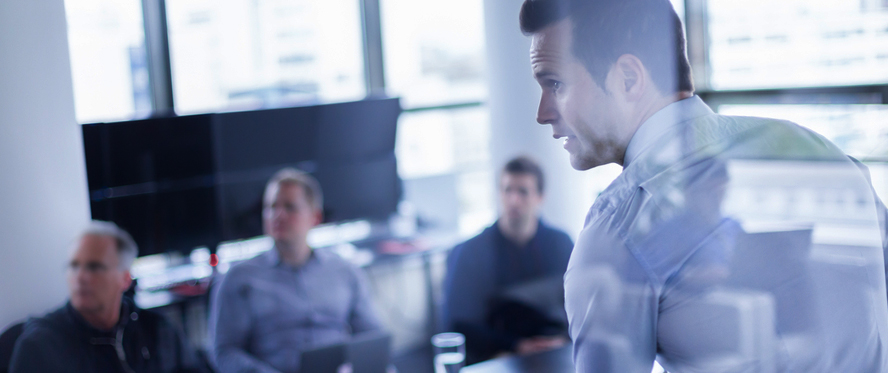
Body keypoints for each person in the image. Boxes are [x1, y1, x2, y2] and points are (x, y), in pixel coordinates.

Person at [519, 0, 888, 372]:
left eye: (556, 84)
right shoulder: (823, 153)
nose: (542, 112)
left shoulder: (619, 230)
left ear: (628, 78)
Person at [209, 168, 385, 373]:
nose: (278, 215)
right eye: (271, 207)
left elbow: (373, 337)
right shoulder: (239, 278)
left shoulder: (345, 271)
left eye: (290, 207)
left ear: (315, 217)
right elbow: (224, 353)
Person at [9, 220, 204, 373]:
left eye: (95, 267)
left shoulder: (157, 331)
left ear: (125, 279)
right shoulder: (42, 345)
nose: (81, 277)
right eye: (74, 266)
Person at [443, 156, 574, 364]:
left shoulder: (561, 244)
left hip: (556, 353)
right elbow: (458, 323)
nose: (514, 200)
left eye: (523, 191)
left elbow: (581, 306)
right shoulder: (470, 252)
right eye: (507, 190)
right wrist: (516, 347)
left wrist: (561, 341)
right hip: (497, 357)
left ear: (540, 196)